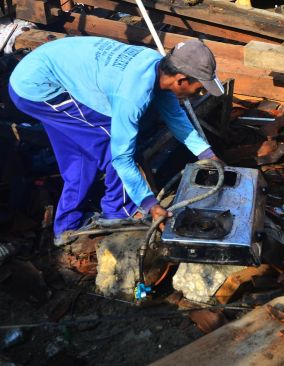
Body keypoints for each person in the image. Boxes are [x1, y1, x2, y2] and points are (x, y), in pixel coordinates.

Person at [8, 36, 224, 246]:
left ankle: (67, 226)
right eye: (199, 89)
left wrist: (208, 155)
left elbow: (175, 117)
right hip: (39, 86)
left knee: (80, 154)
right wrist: (149, 203)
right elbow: (122, 157)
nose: (198, 94)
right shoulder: (132, 95)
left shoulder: (156, 65)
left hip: (44, 70)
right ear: (181, 80)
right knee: (112, 143)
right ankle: (119, 211)